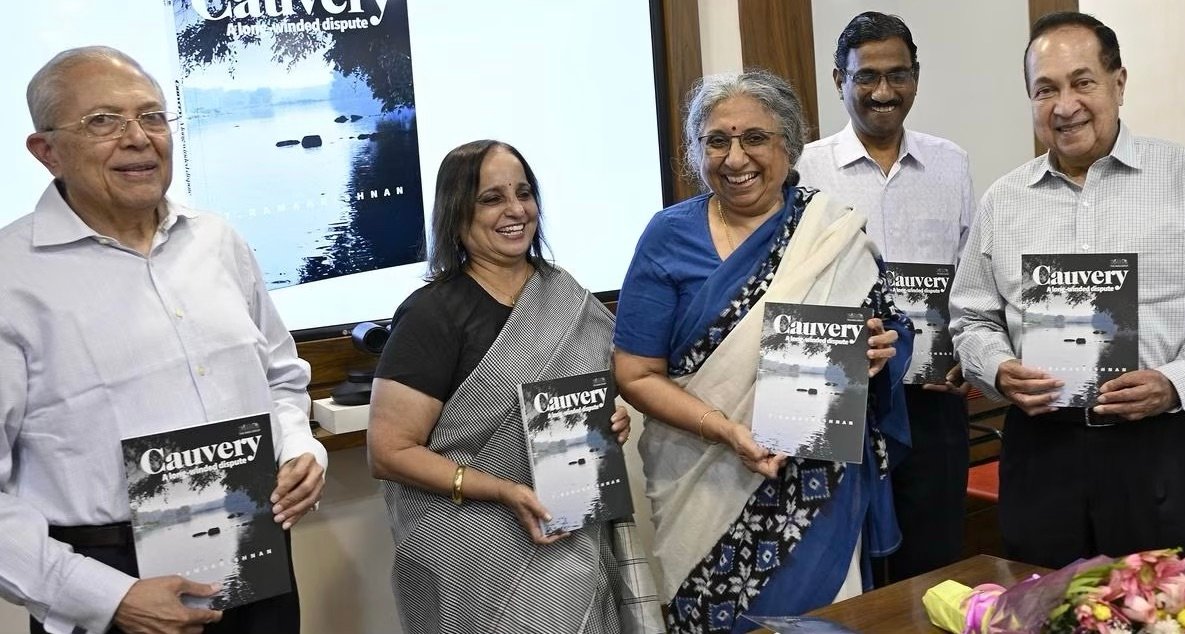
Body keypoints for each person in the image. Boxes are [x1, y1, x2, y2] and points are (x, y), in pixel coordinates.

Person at [0, 47, 327, 634]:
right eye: (103, 121)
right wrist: (106, 597)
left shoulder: (217, 241)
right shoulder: (11, 278)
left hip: (255, 557)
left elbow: (280, 375)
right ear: (46, 151)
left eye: (152, 116)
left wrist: (301, 446)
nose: (138, 138)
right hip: (110, 585)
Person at [613, 69, 914, 633]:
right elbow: (635, 372)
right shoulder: (667, 236)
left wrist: (878, 354)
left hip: (817, 491)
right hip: (702, 481)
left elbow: (892, 331)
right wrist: (726, 430)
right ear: (696, 151)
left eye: (755, 138)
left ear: (789, 145)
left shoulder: (830, 232)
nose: (735, 158)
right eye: (716, 141)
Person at [367, 140, 658, 633]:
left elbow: (591, 392)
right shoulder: (432, 314)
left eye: (524, 193)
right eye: (492, 198)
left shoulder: (564, 293)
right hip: (469, 559)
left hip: (570, 538)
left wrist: (607, 421)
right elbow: (388, 451)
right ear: (457, 212)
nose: (516, 210)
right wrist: (504, 490)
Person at [949, 12, 1185, 568]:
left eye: (1082, 82)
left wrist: (1175, 382)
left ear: (1119, 83)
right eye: (1046, 89)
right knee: (1040, 600)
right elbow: (972, 319)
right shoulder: (1003, 201)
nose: (1065, 106)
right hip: (1042, 452)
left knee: (1159, 605)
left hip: (1161, 448)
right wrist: (997, 369)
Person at [797, 11, 974, 583]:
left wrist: (969, 350)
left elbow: (970, 278)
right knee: (847, 567)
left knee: (933, 564)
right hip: (840, 393)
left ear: (915, 78)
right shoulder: (805, 168)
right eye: (866, 76)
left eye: (898, 75)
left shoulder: (951, 162)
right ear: (839, 80)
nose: (883, 92)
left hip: (932, 398)